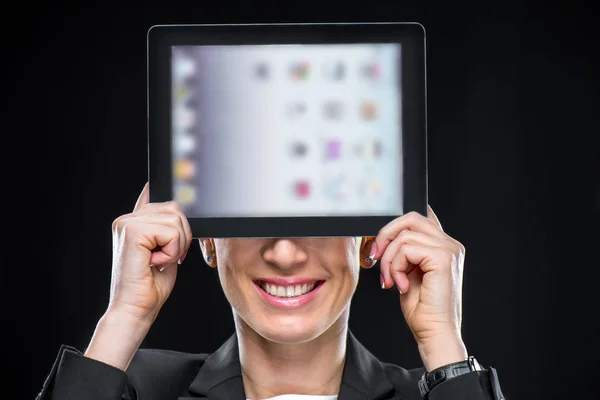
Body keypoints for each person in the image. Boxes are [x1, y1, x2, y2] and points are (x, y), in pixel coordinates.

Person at [36, 183, 506, 400]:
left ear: (370, 241)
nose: (284, 254)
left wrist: (443, 341)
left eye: (319, 216)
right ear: (207, 244)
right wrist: (124, 314)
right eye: (251, 216)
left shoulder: (435, 395)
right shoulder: (130, 387)